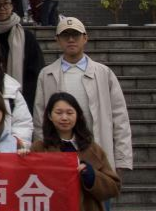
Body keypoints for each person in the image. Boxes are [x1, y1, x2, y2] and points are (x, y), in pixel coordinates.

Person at [32, 17, 133, 177]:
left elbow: (120, 119)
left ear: (85, 38)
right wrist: (42, 156)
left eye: (76, 35)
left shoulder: (104, 73)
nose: (71, 40)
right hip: (59, 155)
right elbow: (40, 119)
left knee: (98, 190)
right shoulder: (47, 75)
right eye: (65, 35)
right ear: (57, 40)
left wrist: (122, 159)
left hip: (97, 152)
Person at [0, 0, 45, 110]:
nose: (2, 8)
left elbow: (35, 71)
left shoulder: (26, 36)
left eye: (6, 3)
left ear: (12, 6)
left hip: (21, 99)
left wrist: (25, 100)